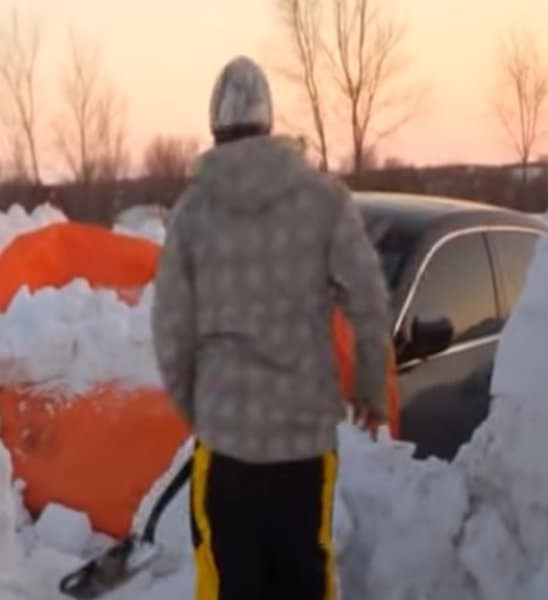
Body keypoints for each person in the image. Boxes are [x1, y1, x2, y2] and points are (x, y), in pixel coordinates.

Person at [151, 55, 391, 600]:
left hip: (227, 449)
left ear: (214, 126)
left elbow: (170, 332)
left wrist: (204, 410)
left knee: (228, 585)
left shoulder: (192, 216)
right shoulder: (324, 201)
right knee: (307, 580)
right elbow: (369, 300)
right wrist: (371, 387)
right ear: (269, 121)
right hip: (304, 448)